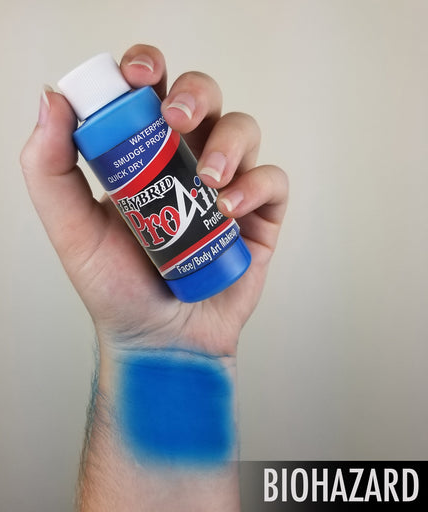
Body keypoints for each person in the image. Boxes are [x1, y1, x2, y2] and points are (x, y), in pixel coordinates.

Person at [20, 44, 288, 511]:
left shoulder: (136, 113)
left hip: (214, 249)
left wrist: (180, 351)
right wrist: (154, 347)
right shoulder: (101, 131)